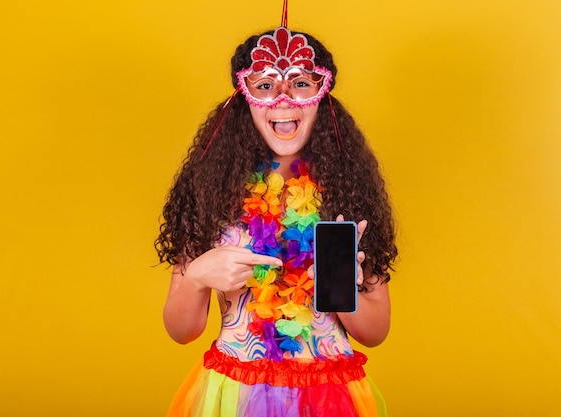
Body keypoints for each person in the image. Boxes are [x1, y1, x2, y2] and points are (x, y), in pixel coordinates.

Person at [155, 24, 397, 417]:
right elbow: (181, 331)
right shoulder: (211, 192)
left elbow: (376, 331)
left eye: (301, 83)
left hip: (328, 395)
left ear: (322, 97)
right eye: (265, 85)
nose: (282, 100)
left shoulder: (348, 193)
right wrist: (198, 276)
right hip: (236, 391)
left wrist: (338, 285)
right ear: (244, 97)